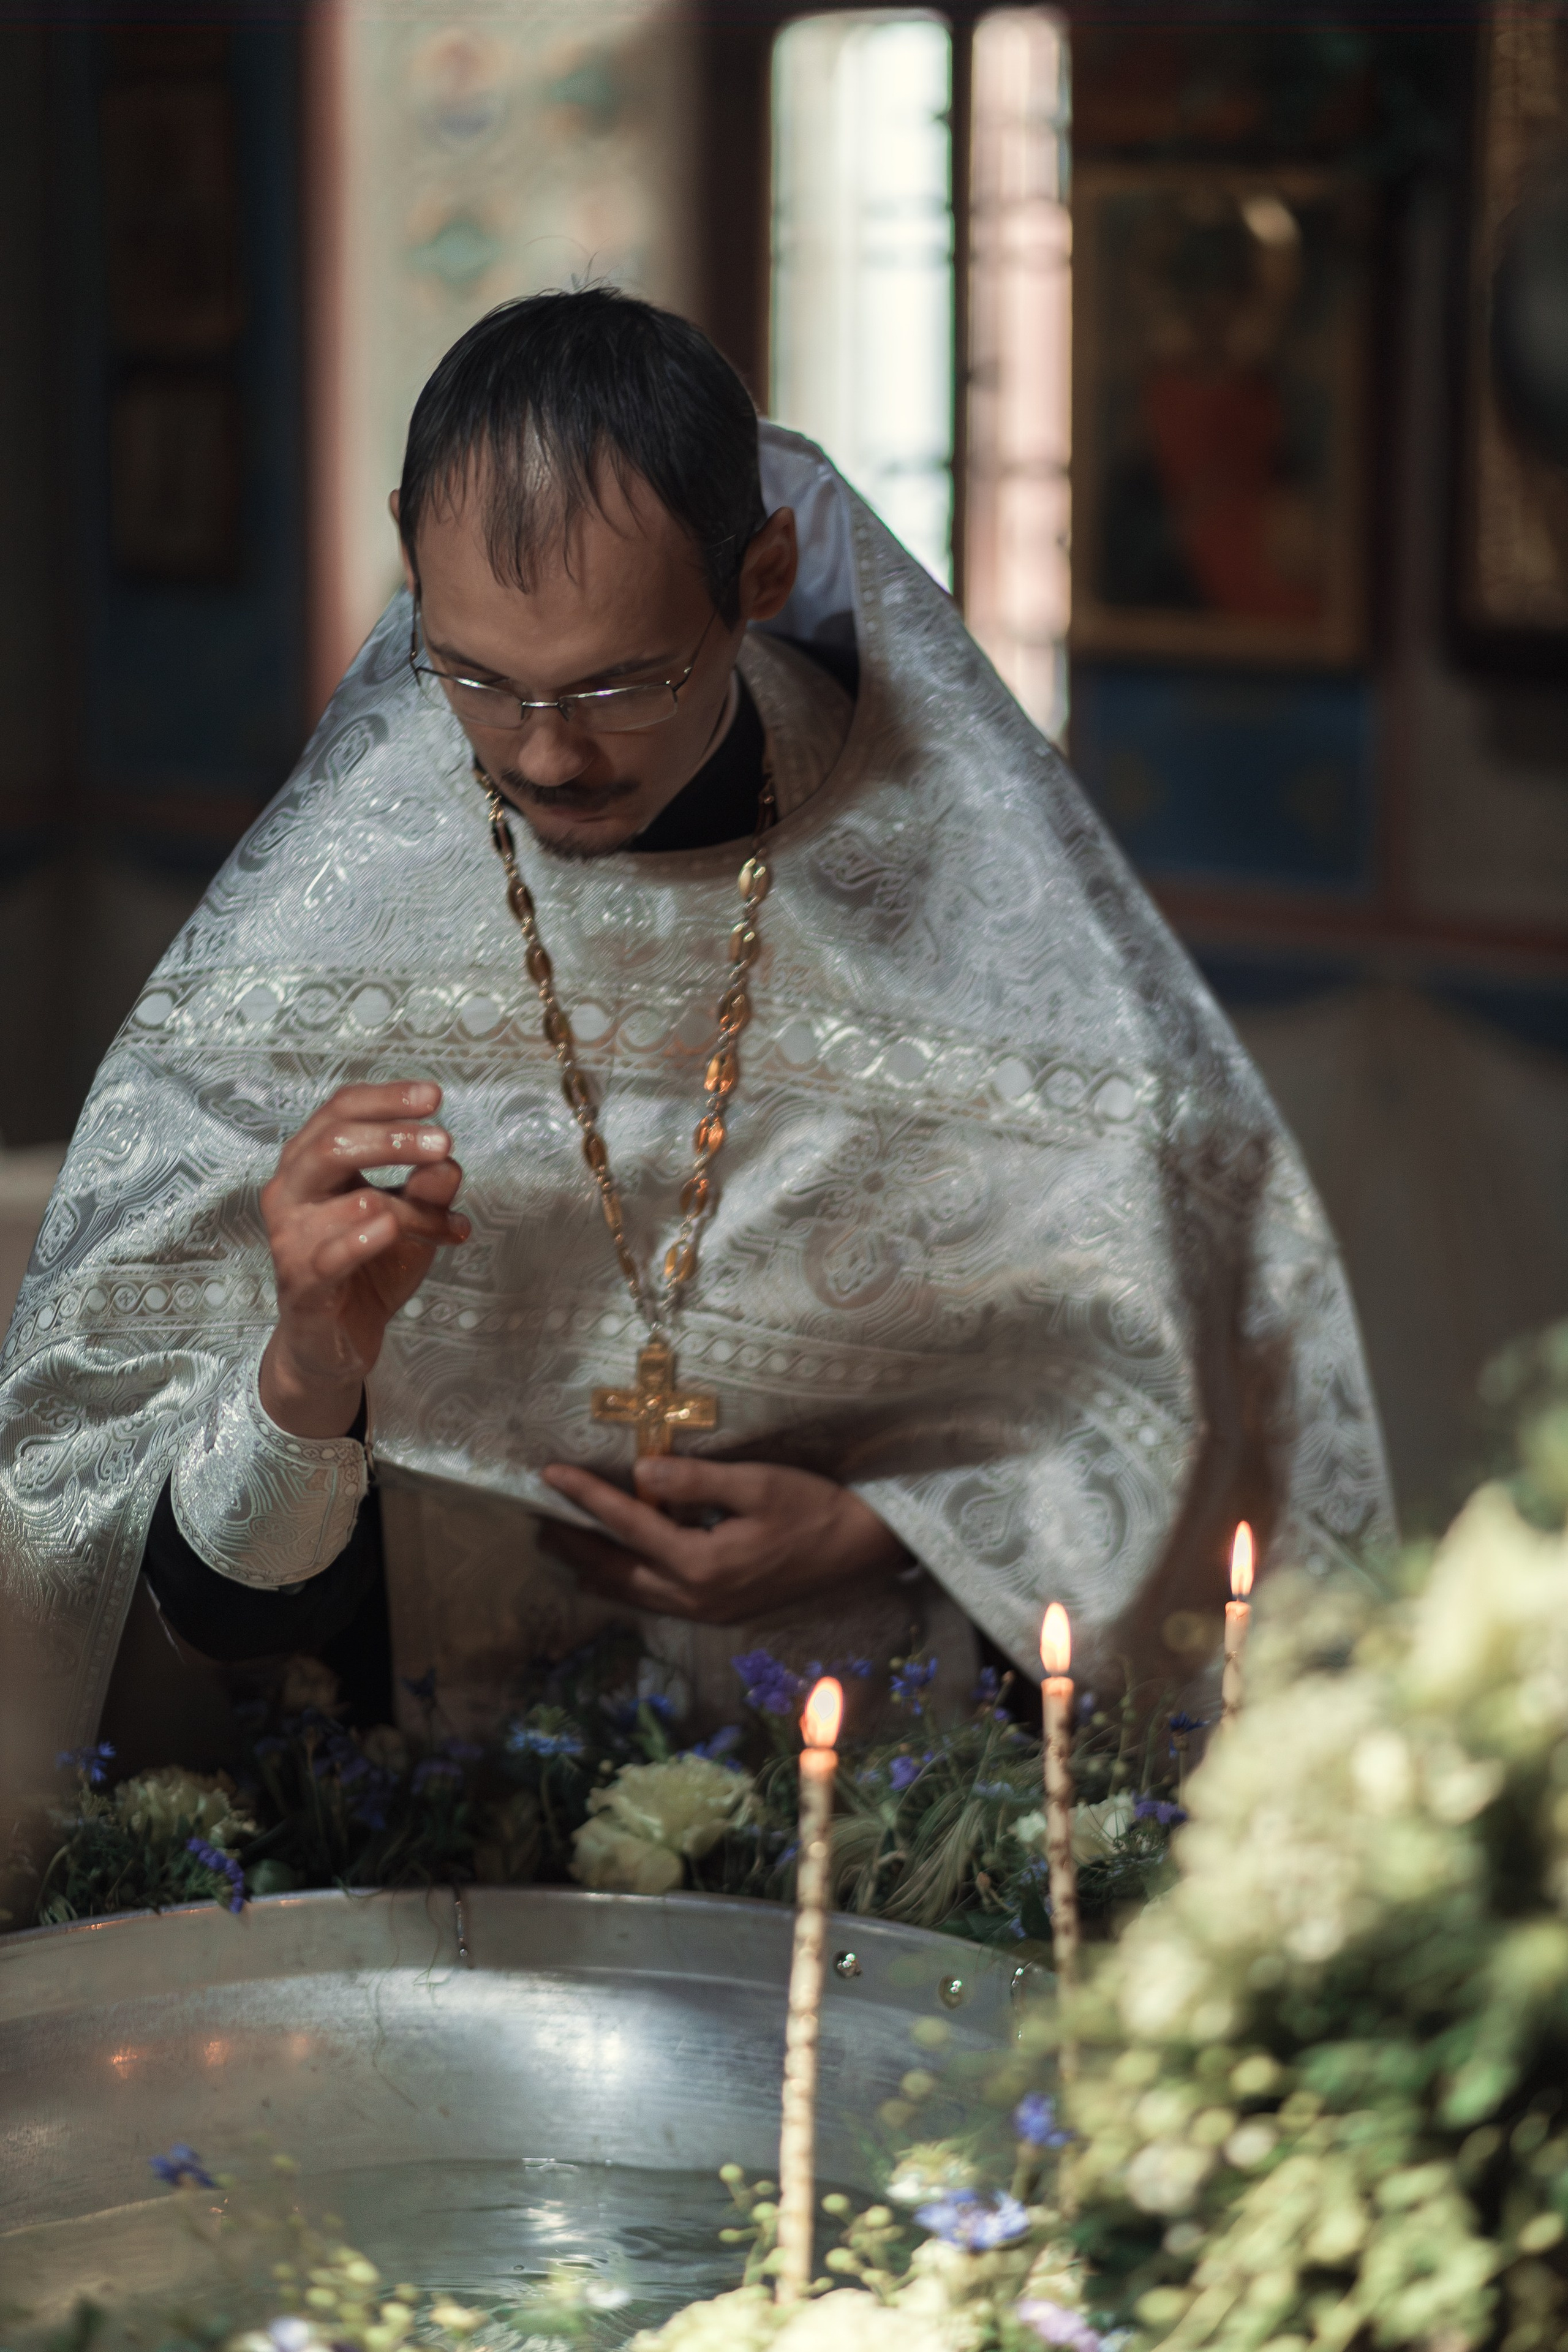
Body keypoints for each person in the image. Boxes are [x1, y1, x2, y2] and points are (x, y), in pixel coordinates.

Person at [0, 290, 1392, 1793]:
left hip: (873, 1803)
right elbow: (193, 1610)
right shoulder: (318, 921)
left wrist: (879, 1530)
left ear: (759, 575)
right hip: (425, 1815)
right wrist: (307, 1370)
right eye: (476, 677)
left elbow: (1166, 1401)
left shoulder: (958, 886)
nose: (546, 752)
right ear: (411, 561)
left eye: (619, 683)